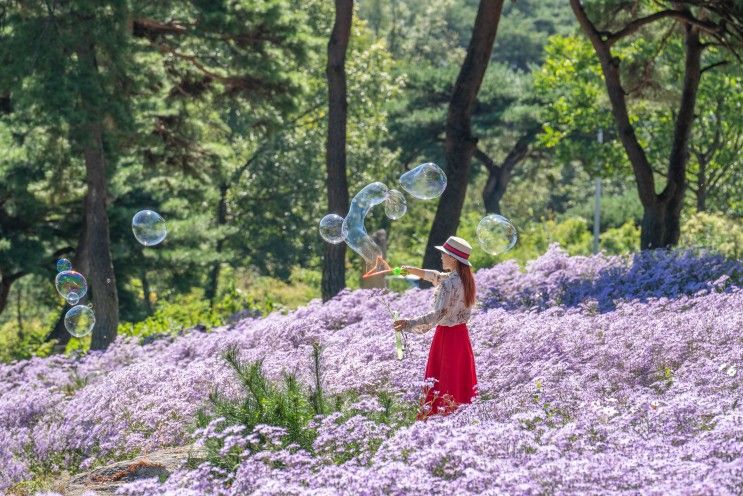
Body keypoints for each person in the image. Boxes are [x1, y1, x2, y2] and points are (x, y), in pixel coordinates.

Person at [394, 236, 478, 420]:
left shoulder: (449, 284)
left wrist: (408, 323)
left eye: (444, 254)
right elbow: (435, 276)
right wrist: (413, 271)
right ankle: (460, 419)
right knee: (458, 379)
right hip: (461, 338)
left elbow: (437, 315)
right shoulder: (465, 279)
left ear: (453, 259)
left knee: (444, 379)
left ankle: (439, 420)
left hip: (446, 338)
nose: (441, 256)